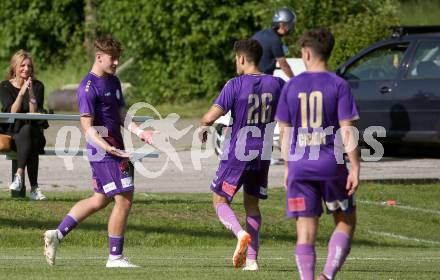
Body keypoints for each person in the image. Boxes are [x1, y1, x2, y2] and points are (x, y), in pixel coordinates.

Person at [43, 36, 155, 268]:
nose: (115, 63)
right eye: (112, 59)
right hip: (103, 151)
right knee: (124, 198)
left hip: (115, 148)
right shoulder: (88, 87)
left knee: (100, 199)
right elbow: (87, 126)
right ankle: (115, 257)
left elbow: (122, 114)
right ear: (99, 57)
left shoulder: (113, 81)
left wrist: (139, 131)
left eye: (117, 59)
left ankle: (57, 234)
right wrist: (107, 147)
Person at [275, 27, 360, 280]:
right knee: (345, 220)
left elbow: (284, 131)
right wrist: (355, 166)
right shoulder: (339, 85)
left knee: (305, 232)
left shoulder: (291, 86)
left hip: (300, 167)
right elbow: (347, 131)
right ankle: (328, 275)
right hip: (330, 166)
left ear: (307, 54)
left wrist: (289, 167)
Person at [200, 39, 285, 271]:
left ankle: (240, 234)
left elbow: (210, 117)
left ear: (242, 58)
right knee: (252, 205)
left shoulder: (235, 84)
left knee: (219, 199)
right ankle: (252, 261)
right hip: (263, 153)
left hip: (237, 152)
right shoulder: (277, 84)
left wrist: (203, 126)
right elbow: (286, 119)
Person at [0, 50, 48, 200]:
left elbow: (34, 114)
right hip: (13, 136)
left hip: (34, 134)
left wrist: (31, 92)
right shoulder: (4, 86)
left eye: (29, 66)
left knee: (29, 131)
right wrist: (21, 93)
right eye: (22, 65)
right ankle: (34, 189)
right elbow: (12, 113)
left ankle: (19, 175)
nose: (26, 69)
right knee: (28, 138)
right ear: (14, 67)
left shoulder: (38, 86)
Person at [252, 7, 296, 78]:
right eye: (289, 25)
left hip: (249, 78)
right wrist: (294, 80)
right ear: (282, 24)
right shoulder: (275, 40)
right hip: (263, 80)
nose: (290, 28)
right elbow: (284, 65)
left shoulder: (258, 34)